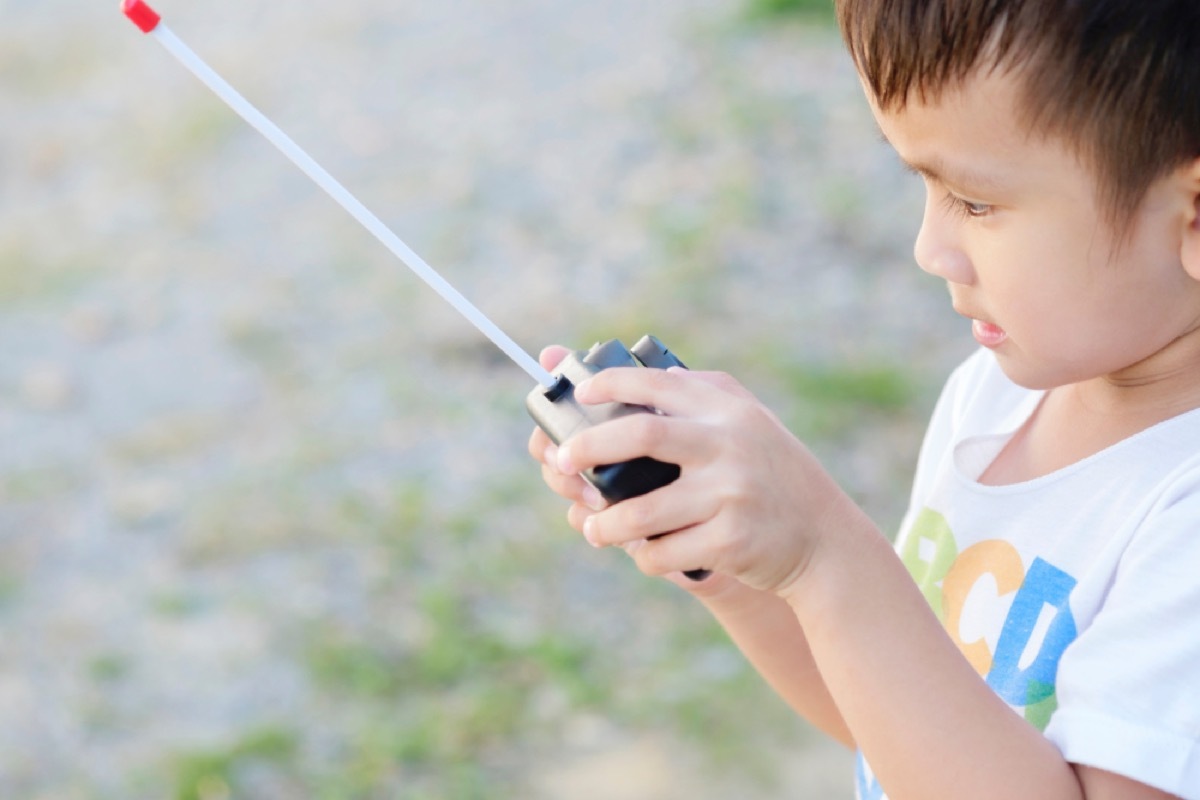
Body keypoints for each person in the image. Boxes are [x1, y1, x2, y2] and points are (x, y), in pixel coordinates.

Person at [528, 0, 1200, 797]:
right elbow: (892, 731)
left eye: (976, 202)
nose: (929, 248)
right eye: (924, 184)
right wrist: (745, 565)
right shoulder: (994, 399)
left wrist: (826, 554)